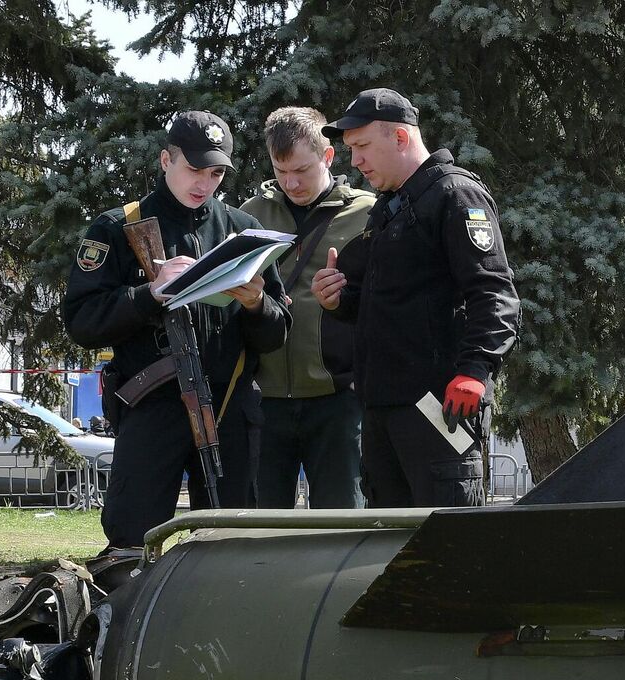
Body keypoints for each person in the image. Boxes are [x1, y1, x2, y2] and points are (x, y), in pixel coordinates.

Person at [63, 110, 289, 549]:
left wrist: (257, 304)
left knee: (232, 544)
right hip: (153, 408)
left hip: (229, 410)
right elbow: (83, 321)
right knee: (131, 542)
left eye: (217, 172)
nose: (204, 183)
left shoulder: (245, 232)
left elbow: (276, 334)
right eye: (194, 169)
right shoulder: (118, 228)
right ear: (166, 159)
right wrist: (150, 294)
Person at [312, 89, 519, 508]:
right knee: (388, 549)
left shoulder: (455, 195)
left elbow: (494, 292)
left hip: (438, 406)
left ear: (401, 138)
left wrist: (476, 370)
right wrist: (338, 299)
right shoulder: (388, 207)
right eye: (351, 150)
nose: (356, 162)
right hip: (382, 408)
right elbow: (390, 304)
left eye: (363, 147)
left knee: (448, 545)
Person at [239, 106, 375, 509]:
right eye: (281, 172)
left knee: (341, 524)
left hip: (339, 401)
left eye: (302, 170)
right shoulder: (249, 216)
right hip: (265, 402)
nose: (291, 183)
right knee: (259, 528)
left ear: (328, 156)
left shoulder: (369, 214)